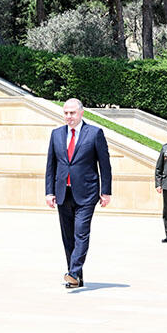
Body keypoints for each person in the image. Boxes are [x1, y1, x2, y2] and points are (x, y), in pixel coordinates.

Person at [44, 98, 112, 288]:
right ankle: (76, 278)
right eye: (66, 113)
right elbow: (51, 165)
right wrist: (49, 191)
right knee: (67, 237)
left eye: (72, 113)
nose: (69, 117)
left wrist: (105, 191)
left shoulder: (95, 133)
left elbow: (104, 165)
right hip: (62, 193)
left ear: (81, 112)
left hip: (87, 193)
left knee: (80, 233)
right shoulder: (56, 134)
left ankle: (73, 271)